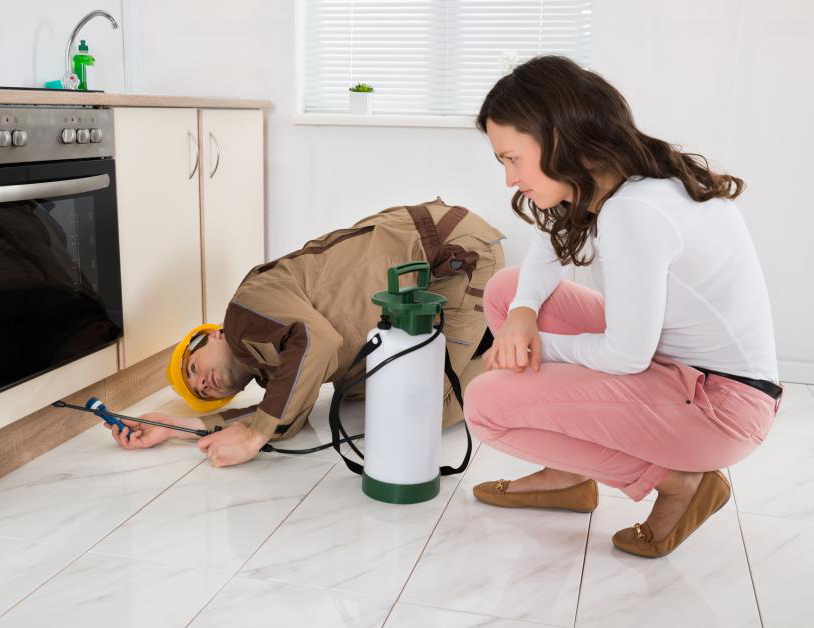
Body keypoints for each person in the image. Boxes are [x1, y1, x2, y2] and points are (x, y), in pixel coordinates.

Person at [463, 55, 781, 558]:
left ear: (558, 140)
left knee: (485, 405)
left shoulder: (635, 212)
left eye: (511, 159)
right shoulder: (633, 181)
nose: (509, 179)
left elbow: (626, 356)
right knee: (508, 289)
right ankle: (569, 475)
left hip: (721, 410)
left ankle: (680, 482)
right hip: (685, 375)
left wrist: (532, 347)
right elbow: (549, 245)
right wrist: (522, 312)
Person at [106, 199, 505, 468]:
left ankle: (513, 354)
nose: (202, 383)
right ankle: (491, 335)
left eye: (192, 367)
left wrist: (254, 437)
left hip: (450, 251)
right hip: (423, 256)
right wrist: (176, 427)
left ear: (214, 336)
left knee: (420, 410)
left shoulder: (245, 310)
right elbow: (286, 398)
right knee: (362, 390)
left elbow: (317, 342)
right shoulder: (274, 361)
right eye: (201, 392)